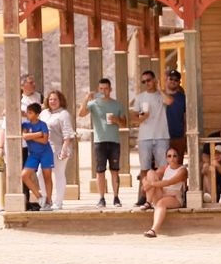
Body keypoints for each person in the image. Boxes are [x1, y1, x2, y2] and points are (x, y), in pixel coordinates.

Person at [79, 77, 127, 208]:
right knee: (100, 171)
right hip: (99, 141)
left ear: (110, 89)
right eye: (101, 89)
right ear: (98, 89)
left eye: (106, 88)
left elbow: (124, 123)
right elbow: (81, 114)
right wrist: (86, 99)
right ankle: (101, 198)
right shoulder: (93, 104)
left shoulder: (117, 104)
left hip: (114, 141)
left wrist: (117, 120)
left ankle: (116, 197)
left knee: (115, 170)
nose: (103, 91)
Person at [131, 69, 171, 208]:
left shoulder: (161, 95)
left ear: (154, 80)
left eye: (148, 80)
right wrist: (142, 118)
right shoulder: (140, 97)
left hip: (161, 136)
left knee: (162, 168)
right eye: (144, 81)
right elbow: (133, 118)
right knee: (144, 169)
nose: (146, 83)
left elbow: (169, 101)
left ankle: (161, 195)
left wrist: (160, 89)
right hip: (145, 137)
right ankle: (144, 197)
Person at [39, 89, 76, 210]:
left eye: (55, 99)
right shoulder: (44, 113)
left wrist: (64, 149)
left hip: (59, 148)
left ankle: (58, 202)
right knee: (40, 174)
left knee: (58, 174)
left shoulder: (64, 114)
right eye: (50, 99)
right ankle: (46, 199)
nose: (53, 101)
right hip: (44, 149)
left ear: (60, 100)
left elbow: (68, 133)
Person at [141, 148, 188, 237]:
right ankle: (148, 202)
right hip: (162, 194)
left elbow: (169, 182)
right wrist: (145, 182)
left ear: (178, 157)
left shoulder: (182, 170)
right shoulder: (165, 168)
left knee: (161, 203)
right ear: (166, 158)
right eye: (169, 156)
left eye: (174, 156)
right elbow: (146, 178)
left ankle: (153, 230)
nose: (172, 158)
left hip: (175, 197)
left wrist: (150, 184)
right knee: (150, 172)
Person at [19, 102, 55, 209]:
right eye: (27, 112)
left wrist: (30, 137)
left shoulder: (43, 124)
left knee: (47, 177)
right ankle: (40, 198)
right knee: (24, 175)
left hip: (45, 153)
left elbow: (44, 141)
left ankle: (49, 201)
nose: (27, 114)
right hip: (33, 155)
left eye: (30, 113)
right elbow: (24, 136)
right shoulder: (25, 125)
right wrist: (38, 134)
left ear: (37, 114)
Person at [164, 70, 187, 158]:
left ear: (179, 82)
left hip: (178, 137)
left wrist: (185, 136)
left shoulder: (183, 98)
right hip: (161, 137)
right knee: (162, 164)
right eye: (171, 79)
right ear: (166, 80)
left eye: (176, 80)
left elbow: (185, 117)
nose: (173, 81)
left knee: (178, 162)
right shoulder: (159, 95)